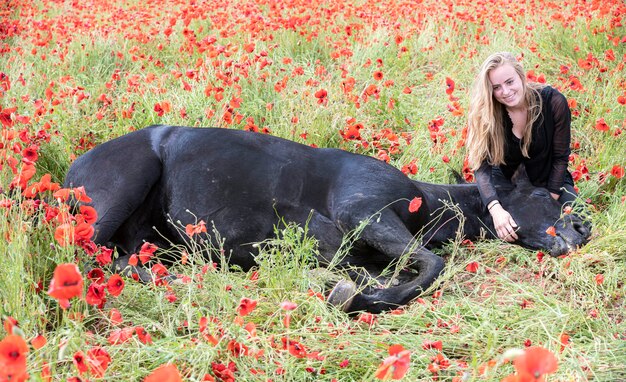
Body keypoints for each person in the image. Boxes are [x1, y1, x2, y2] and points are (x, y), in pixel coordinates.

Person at [466, 52, 579, 243]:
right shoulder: (487, 113)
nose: (505, 91)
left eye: (510, 82)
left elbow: (560, 158)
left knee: (579, 223)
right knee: (505, 231)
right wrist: (496, 209)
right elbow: (481, 168)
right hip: (508, 186)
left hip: (549, 180)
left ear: (521, 76)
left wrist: (548, 201)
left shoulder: (553, 102)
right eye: (496, 87)